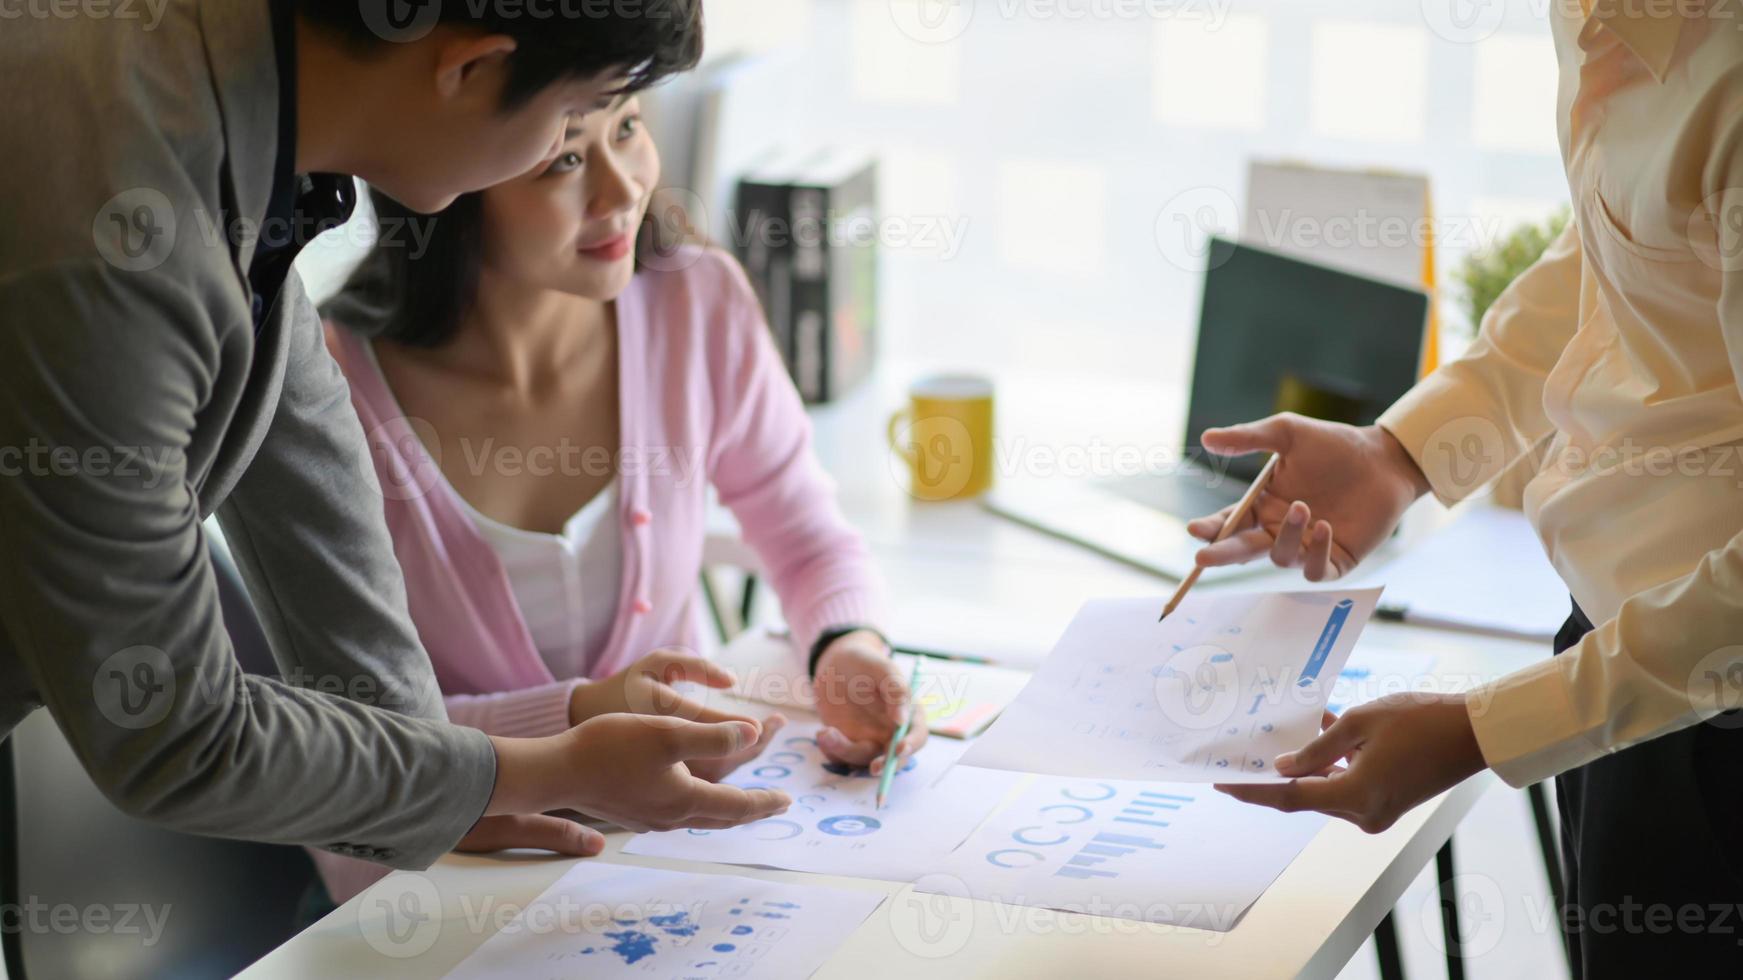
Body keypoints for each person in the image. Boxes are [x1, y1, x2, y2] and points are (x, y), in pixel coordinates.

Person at [0, 0, 789, 881]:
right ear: (470, 69)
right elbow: (175, 734)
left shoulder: (234, 104)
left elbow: (309, 476)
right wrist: (537, 769)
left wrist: (461, 788)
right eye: (568, 125)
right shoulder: (112, 227)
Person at [1189, 3, 1743, 972]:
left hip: (1711, 715)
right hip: (1629, 669)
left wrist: (1486, 728)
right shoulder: (1616, 22)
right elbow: (1619, 250)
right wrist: (1400, 453)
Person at [313, 90, 925, 902]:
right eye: (565, 157)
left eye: (629, 127)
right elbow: (333, 734)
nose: (621, 189)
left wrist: (846, 645)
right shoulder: (326, 387)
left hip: (665, 869)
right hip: (432, 889)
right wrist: (580, 714)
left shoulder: (694, 300)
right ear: (449, 179)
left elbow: (805, 533)